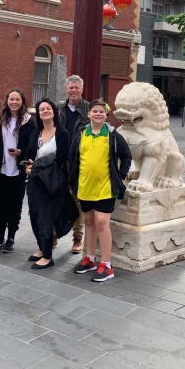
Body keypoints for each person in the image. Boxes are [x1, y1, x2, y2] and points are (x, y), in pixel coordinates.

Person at [69, 99, 132, 282]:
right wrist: (73, 179)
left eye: (101, 112)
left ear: (106, 115)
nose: (98, 114)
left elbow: (126, 155)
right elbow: (73, 156)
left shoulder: (112, 134)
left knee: (102, 222)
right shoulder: (82, 133)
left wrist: (121, 175)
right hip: (85, 186)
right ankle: (90, 258)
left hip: (106, 187)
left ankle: (107, 264)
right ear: (88, 114)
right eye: (94, 111)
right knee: (89, 221)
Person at [0, 88, 36, 253]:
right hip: (1, 170)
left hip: (18, 172)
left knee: (15, 207)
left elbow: (32, 144)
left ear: (22, 101)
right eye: (11, 99)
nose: (14, 102)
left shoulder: (29, 121)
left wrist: (21, 152)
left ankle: (11, 238)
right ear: (7, 101)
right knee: (0, 206)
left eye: (17, 99)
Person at [25, 99, 70, 269]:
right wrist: (28, 166)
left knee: (45, 217)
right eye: (42, 109)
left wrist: (35, 166)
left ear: (54, 111)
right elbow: (29, 154)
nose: (45, 111)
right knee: (34, 215)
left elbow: (59, 159)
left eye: (48, 108)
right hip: (34, 181)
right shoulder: (36, 132)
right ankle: (42, 248)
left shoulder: (62, 133)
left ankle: (48, 256)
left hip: (50, 182)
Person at [58, 75, 90, 254]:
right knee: (57, 198)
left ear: (81, 89)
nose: (73, 90)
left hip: (79, 160)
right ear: (66, 89)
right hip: (61, 159)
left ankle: (77, 239)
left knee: (78, 201)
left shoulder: (88, 109)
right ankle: (54, 232)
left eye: (76, 88)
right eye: (71, 88)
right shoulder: (59, 108)